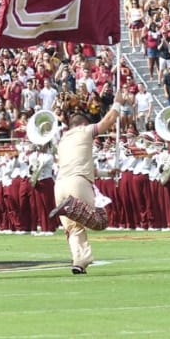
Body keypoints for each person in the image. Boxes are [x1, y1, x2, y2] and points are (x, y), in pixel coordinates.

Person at [49, 92, 123, 274]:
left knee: (74, 229)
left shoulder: (63, 141)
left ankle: (80, 261)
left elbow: (83, 166)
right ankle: (70, 206)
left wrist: (107, 172)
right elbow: (107, 121)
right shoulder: (85, 131)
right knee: (100, 221)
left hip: (60, 186)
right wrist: (117, 104)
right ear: (83, 124)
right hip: (78, 183)